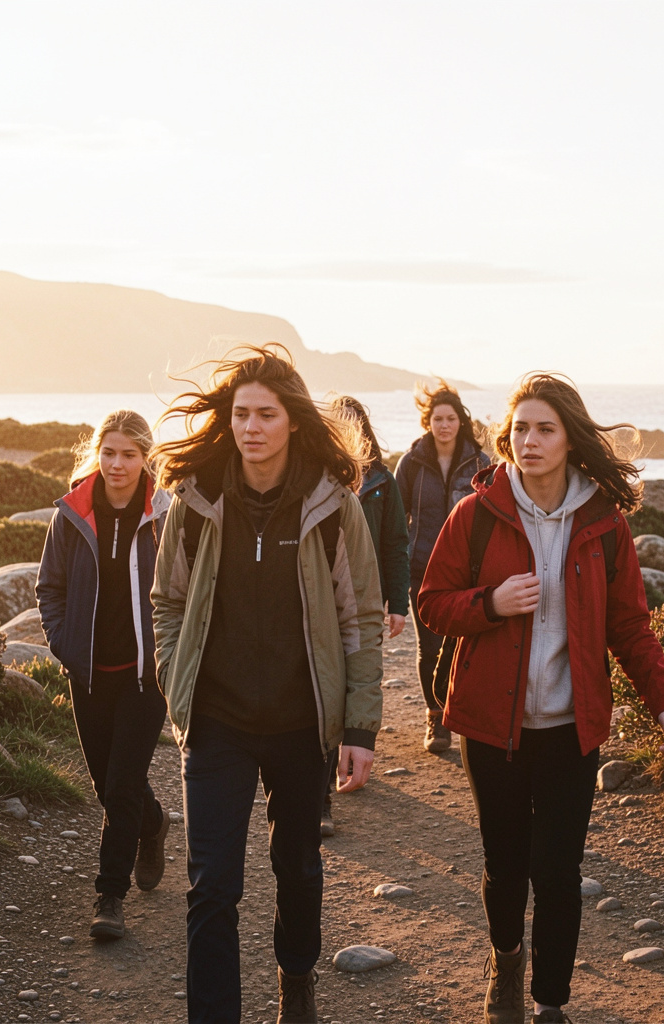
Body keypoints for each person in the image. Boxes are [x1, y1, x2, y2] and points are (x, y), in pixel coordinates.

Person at [418, 374, 664, 1024]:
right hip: (490, 728)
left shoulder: (603, 523)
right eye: (520, 430)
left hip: (571, 728)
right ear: (506, 439)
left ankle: (550, 1005)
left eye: (545, 429)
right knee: (506, 868)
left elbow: (629, 625)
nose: (530, 441)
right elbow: (432, 602)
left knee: (559, 873)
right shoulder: (476, 515)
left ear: (570, 438)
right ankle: (506, 958)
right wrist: (490, 603)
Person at [150, 347, 384, 1023]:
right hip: (217, 721)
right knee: (211, 886)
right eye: (240, 414)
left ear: (292, 422)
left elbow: (361, 616)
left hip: (299, 720)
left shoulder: (331, 506)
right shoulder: (195, 500)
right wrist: (177, 683)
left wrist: (359, 729)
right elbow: (167, 601)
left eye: (265, 414)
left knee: (299, 870)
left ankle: (298, 972)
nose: (251, 426)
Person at [36, 410, 171, 941]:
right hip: (89, 674)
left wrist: (169, 654)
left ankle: (109, 896)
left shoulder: (164, 514)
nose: (118, 464)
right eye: (109, 453)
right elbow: (50, 588)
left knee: (119, 786)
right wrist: (65, 646)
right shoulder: (71, 515)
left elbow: (182, 589)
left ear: (145, 459)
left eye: (129, 455)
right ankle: (153, 822)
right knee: (110, 787)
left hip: (145, 676)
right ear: (98, 454)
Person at [319, 395, 409, 836]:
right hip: (320, 600)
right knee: (320, 687)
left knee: (355, 682)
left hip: (365, 603)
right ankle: (319, 798)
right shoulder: (313, 483)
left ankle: (353, 746)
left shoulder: (383, 483)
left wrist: (398, 603)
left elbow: (395, 544)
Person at [394, 380, 490, 753]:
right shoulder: (411, 462)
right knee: (429, 648)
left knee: (464, 646)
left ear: (460, 421)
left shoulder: (481, 463)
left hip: (468, 572)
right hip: (422, 568)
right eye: (438, 418)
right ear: (428, 422)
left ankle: (461, 712)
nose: (444, 425)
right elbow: (396, 520)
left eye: (450, 418)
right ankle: (436, 718)